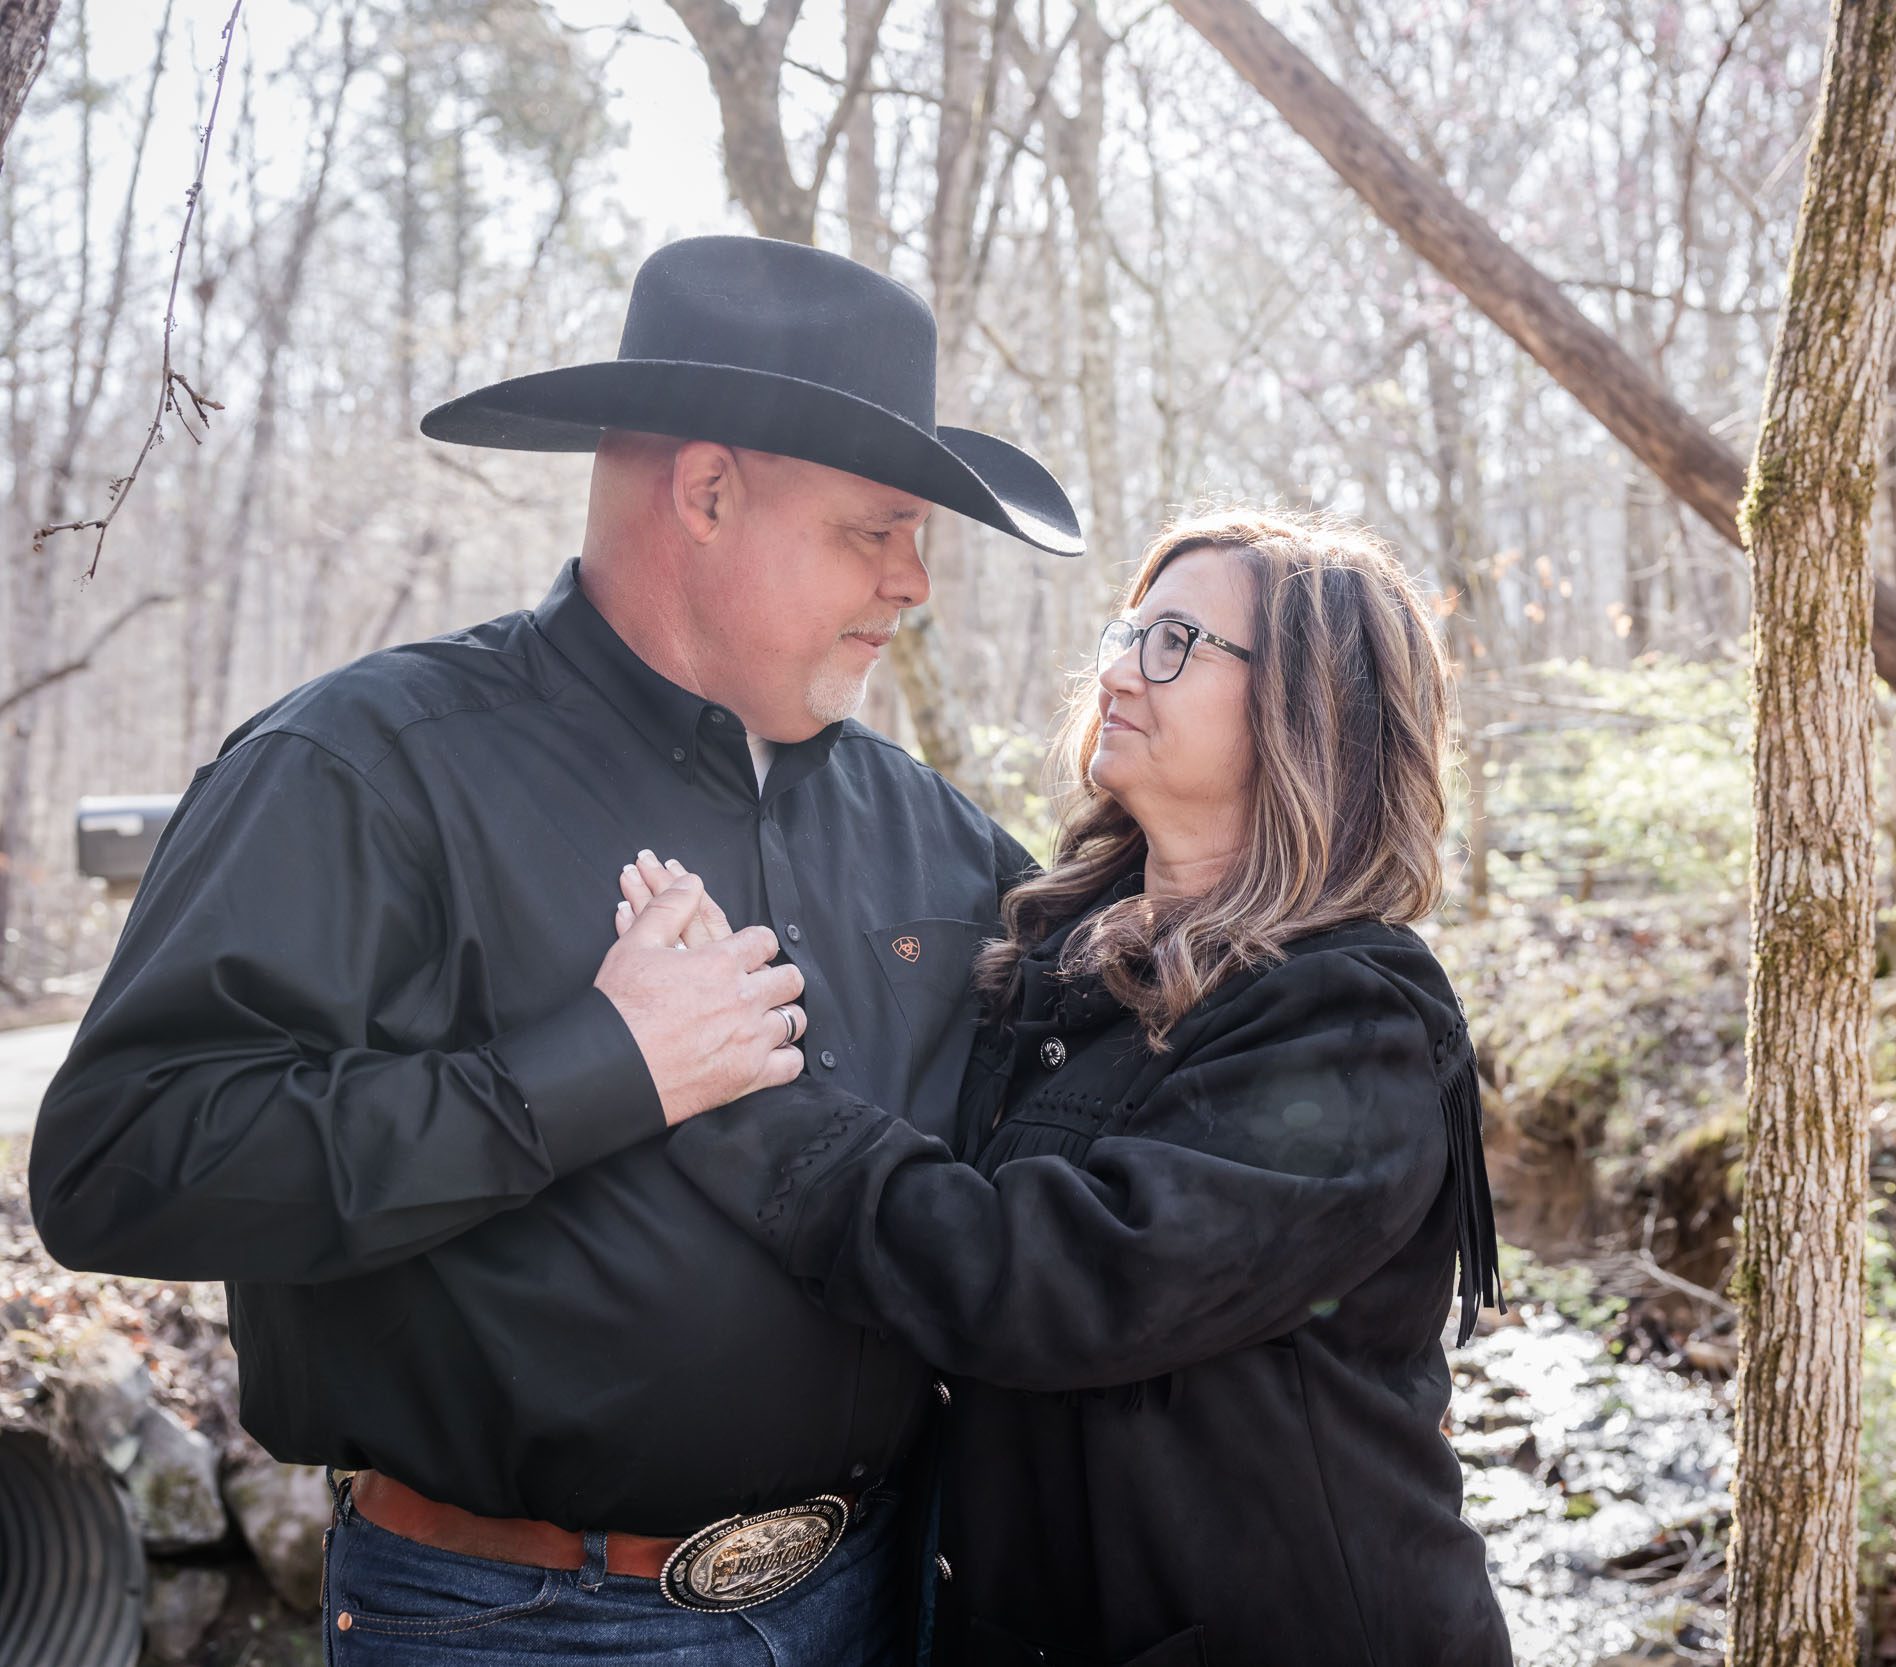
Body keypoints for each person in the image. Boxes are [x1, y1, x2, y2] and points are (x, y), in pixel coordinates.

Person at [30, 235, 1081, 1662]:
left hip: (887, 1593)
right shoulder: (363, 767)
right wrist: (599, 1069)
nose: (916, 582)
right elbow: (119, 1168)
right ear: (707, 490)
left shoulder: (938, 835)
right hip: (517, 1621)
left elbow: (1091, 1134)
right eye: (874, 527)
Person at [641, 510, 1515, 1667]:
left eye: (1177, 643)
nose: (1118, 668)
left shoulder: (1350, 1020)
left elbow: (1057, 1282)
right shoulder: (1056, 956)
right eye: (1127, 630)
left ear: (1312, 710)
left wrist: (737, 1088)